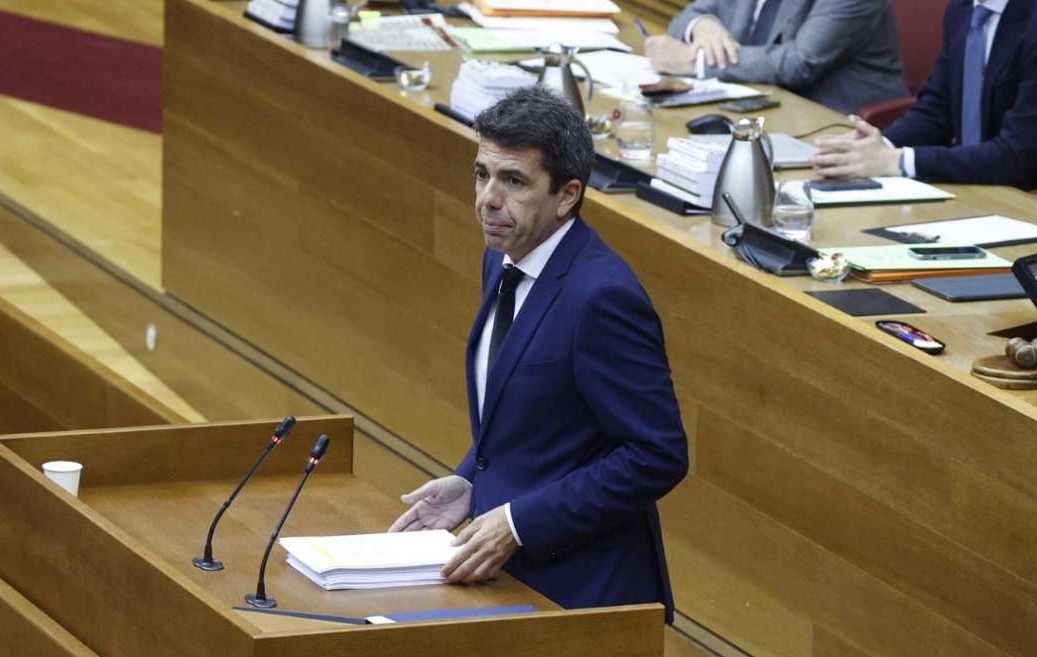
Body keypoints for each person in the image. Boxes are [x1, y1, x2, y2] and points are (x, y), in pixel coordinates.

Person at [389, 87, 689, 618]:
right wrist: (470, 481)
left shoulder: (602, 297)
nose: (487, 198)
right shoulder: (505, 255)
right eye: (482, 174)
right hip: (507, 577)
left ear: (567, 195)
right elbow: (534, 416)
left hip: (585, 594)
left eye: (514, 181)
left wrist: (520, 522)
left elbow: (656, 455)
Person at [811, 0, 1037, 189]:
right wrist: (879, 147)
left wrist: (900, 161)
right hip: (976, 185)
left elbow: (1020, 154)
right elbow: (937, 109)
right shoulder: (962, 9)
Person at [645, 0, 908, 113]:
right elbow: (690, 14)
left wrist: (696, 62)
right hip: (760, 105)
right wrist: (702, 24)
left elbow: (798, 63)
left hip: (837, 123)